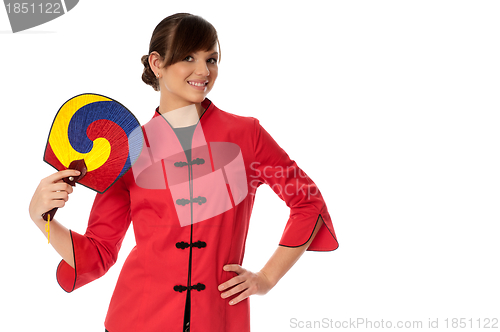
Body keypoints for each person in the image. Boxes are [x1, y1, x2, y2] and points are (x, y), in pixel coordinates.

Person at [29, 13, 339, 332]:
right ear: (157, 64)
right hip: (136, 319)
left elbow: (308, 202)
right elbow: (97, 253)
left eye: (212, 59)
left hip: (220, 320)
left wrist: (266, 278)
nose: (204, 71)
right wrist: (43, 220)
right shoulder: (129, 149)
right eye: (189, 57)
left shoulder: (246, 135)